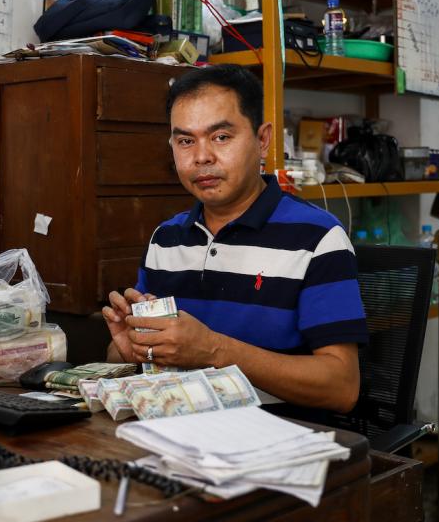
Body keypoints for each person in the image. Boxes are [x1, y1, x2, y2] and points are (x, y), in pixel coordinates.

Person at [102, 64, 367, 412]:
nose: (201, 157)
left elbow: (342, 387)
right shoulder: (165, 240)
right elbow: (133, 363)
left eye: (221, 137)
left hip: (276, 440)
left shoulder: (318, 238)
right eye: (185, 141)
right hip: (178, 432)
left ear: (262, 140)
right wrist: (129, 349)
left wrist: (215, 349)